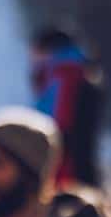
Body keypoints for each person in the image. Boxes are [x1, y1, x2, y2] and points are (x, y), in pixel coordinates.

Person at [30, 27, 104, 187]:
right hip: (80, 165)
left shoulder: (65, 73)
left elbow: (57, 127)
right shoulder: (80, 70)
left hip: (67, 172)